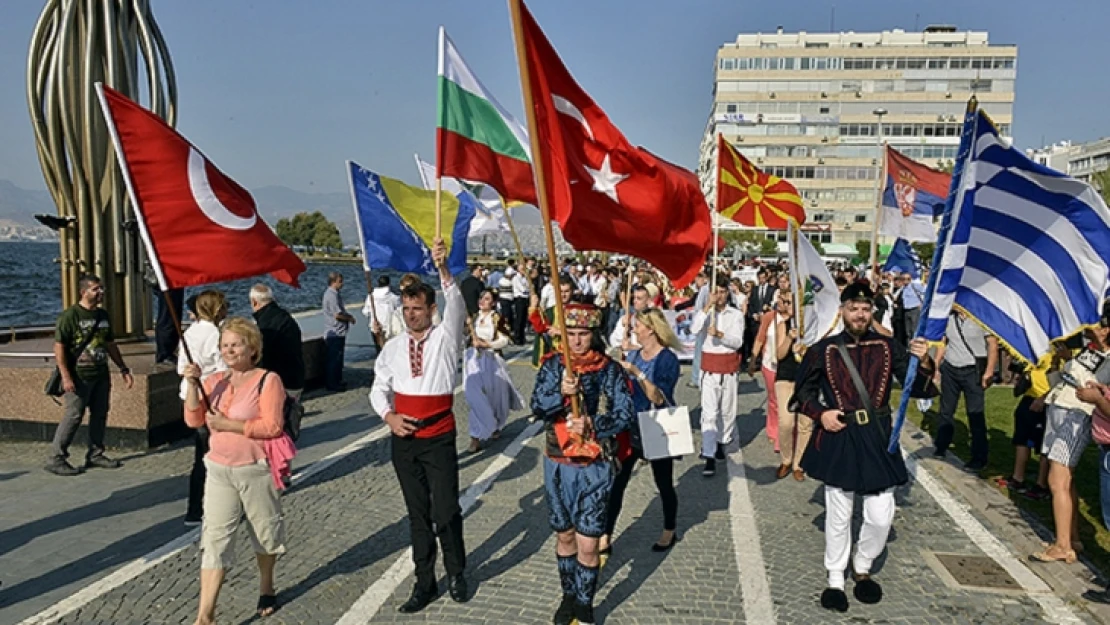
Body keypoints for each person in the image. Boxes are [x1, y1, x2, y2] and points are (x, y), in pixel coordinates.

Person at [791, 283, 932, 612]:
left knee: (882, 516)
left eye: (865, 309)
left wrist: (924, 362)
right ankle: (836, 577)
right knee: (838, 515)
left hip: (879, 435)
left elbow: (919, 388)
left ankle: (863, 564)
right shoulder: (823, 350)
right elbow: (802, 394)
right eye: (854, 308)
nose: (860, 314)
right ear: (842, 310)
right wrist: (821, 413)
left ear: (872, 311)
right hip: (841, 433)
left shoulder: (887, 347)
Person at [369, 238, 470, 613]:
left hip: (439, 436)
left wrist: (443, 269)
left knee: (445, 511)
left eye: (418, 308)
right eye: (407, 309)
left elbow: (455, 302)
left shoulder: (446, 339)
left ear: (431, 309)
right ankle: (424, 583)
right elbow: (377, 389)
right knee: (418, 516)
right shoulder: (393, 348)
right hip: (404, 441)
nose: (412, 315)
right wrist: (388, 416)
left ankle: (457, 572)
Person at [530, 302, 634, 625]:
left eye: (582, 334)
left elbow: (625, 413)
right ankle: (568, 596)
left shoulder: (609, 370)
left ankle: (585, 603)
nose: (576, 342)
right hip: (559, 464)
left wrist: (593, 425)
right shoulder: (551, 366)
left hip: (594, 468)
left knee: (589, 543)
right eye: (570, 334)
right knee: (564, 537)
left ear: (593, 334)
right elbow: (537, 406)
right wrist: (559, 393)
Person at [182, 317, 290, 624]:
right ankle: (205, 615)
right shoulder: (215, 381)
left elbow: (272, 426)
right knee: (215, 539)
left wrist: (228, 424)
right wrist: (192, 385)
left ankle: (267, 585)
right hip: (218, 470)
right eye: (224, 345)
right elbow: (193, 420)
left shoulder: (268, 380)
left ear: (252, 347)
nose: (229, 350)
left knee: (265, 534)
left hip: (255, 469)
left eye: (235, 344)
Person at [601, 308, 682, 559]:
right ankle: (606, 535)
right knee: (617, 483)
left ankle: (669, 529)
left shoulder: (668, 359)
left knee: (664, 482)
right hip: (630, 427)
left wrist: (637, 373)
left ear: (651, 329)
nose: (634, 328)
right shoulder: (634, 354)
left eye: (638, 325)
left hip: (657, 426)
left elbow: (658, 397)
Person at [1030, 314, 1110, 565]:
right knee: (1066, 480)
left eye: (1100, 325)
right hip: (1061, 406)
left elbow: (1094, 383)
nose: (1092, 328)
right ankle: (1070, 538)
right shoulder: (1089, 349)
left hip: (1079, 414)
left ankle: (1062, 546)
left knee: (1057, 478)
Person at [46, 274, 134, 476]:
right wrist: (66, 377)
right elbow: (59, 348)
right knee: (74, 415)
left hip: (101, 374)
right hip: (79, 375)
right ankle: (56, 457)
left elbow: (110, 344)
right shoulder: (70, 316)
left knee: (100, 413)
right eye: (96, 289)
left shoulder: (103, 316)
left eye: (101, 288)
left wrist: (123, 368)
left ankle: (95, 454)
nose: (101, 292)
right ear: (83, 292)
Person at [177, 291, 229, 525]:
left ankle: (195, 509)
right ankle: (202, 508)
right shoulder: (215, 334)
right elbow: (221, 369)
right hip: (211, 397)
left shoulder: (189, 331)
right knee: (211, 454)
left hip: (189, 394)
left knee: (201, 452)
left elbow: (181, 367)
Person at [931, 310, 999, 471]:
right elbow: (943, 342)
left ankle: (979, 457)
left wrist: (989, 371)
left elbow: (992, 345)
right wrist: (936, 363)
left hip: (972, 370)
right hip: (951, 368)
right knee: (946, 409)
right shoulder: (949, 318)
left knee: (975, 413)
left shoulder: (982, 317)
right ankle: (941, 445)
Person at [691, 276, 745, 477]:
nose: (719, 296)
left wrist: (720, 335)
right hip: (710, 369)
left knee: (727, 412)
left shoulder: (735, 315)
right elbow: (693, 329)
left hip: (728, 368)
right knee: (709, 413)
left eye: (723, 292)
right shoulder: (706, 313)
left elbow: (738, 342)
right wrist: (706, 308)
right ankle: (709, 454)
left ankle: (722, 441)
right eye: (716, 292)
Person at [464, 289, 524, 453]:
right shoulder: (474, 317)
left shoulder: (496, 318)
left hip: (491, 361)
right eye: (481, 297)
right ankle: (474, 437)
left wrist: (487, 345)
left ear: (493, 302)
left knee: (495, 396)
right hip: (474, 361)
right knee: (475, 398)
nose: (483, 301)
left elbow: (505, 340)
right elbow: (464, 337)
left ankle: (495, 424)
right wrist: (466, 330)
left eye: (487, 298)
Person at [773, 289, 811, 480]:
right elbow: (779, 355)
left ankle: (799, 463)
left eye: (791, 302)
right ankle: (786, 459)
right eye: (786, 302)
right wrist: (789, 338)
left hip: (807, 379)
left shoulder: (812, 326)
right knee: (786, 422)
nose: (787, 306)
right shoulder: (783, 325)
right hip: (786, 377)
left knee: (806, 423)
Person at [250, 284, 305, 401]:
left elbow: (262, 357)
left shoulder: (265, 325)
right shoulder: (284, 316)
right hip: (295, 376)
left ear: (254, 302)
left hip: (279, 381)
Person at [322, 272, 355, 392]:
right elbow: (337, 315)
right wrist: (349, 318)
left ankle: (337, 380)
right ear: (333, 281)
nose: (342, 284)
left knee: (338, 358)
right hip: (334, 331)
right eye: (340, 281)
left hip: (338, 331)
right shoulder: (331, 295)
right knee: (334, 359)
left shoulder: (335, 294)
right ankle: (332, 383)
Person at [529, 280, 574, 368]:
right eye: (560, 291)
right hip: (555, 354)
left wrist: (562, 332)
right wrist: (534, 306)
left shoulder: (579, 311)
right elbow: (541, 328)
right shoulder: (550, 311)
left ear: (572, 291)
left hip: (573, 354)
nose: (563, 295)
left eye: (567, 291)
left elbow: (585, 332)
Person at [608, 284, 650, 355]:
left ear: (648, 301)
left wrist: (633, 347)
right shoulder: (628, 318)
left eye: (639, 298)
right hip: (627, 360)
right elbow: (613, 339)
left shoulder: (652, 321)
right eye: (634, 298)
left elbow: (654, 350)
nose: (634, 301)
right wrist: (623, 328)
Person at [364, 275, 401, 349]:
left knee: (379, 351)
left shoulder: (371, 296)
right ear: (389, 284)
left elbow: (366, 312)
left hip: (375, 326)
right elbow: (399, 309)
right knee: (390, 350)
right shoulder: (393, 296)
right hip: (388, 327)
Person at [687, 272, 710, 388]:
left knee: (699, 352)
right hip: (705, 323)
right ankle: (698, 377)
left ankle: (696, 378)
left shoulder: (705, 289)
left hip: (704, 324)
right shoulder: (706, 289)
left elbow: (697, 307)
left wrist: (696, 321)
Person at [154, 286, 184, 365]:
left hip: (175, 282)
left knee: (174, 316)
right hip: (167, 282)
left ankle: (169, 352)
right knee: (167, 318)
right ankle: (164, 354)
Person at [511, 260, 531, 345]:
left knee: (524, 319)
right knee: (519, 319)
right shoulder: (516, 278)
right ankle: (517, 338)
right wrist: (527, 289)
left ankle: (522, 337)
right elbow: (523, 289)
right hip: (519, 299)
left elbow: (529, 287)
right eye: (522, 268)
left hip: (525, 299)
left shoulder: (525, 278)